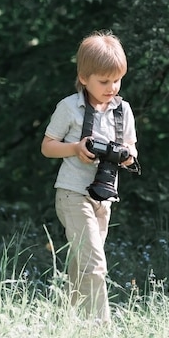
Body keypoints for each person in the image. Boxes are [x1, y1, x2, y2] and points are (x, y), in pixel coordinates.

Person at [41, 30, 139, 322]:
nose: (112, 87)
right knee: (95, 264)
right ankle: (101, 329)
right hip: (73, 194)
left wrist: (124, 155)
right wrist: (76, 148)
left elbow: (132, 151)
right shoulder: (69, 107)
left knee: (81, 266)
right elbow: (47, 147)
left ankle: (67, 322)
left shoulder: (123, 111)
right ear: (84, 77)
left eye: (117, 80)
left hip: (104, 197)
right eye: (104, 81)